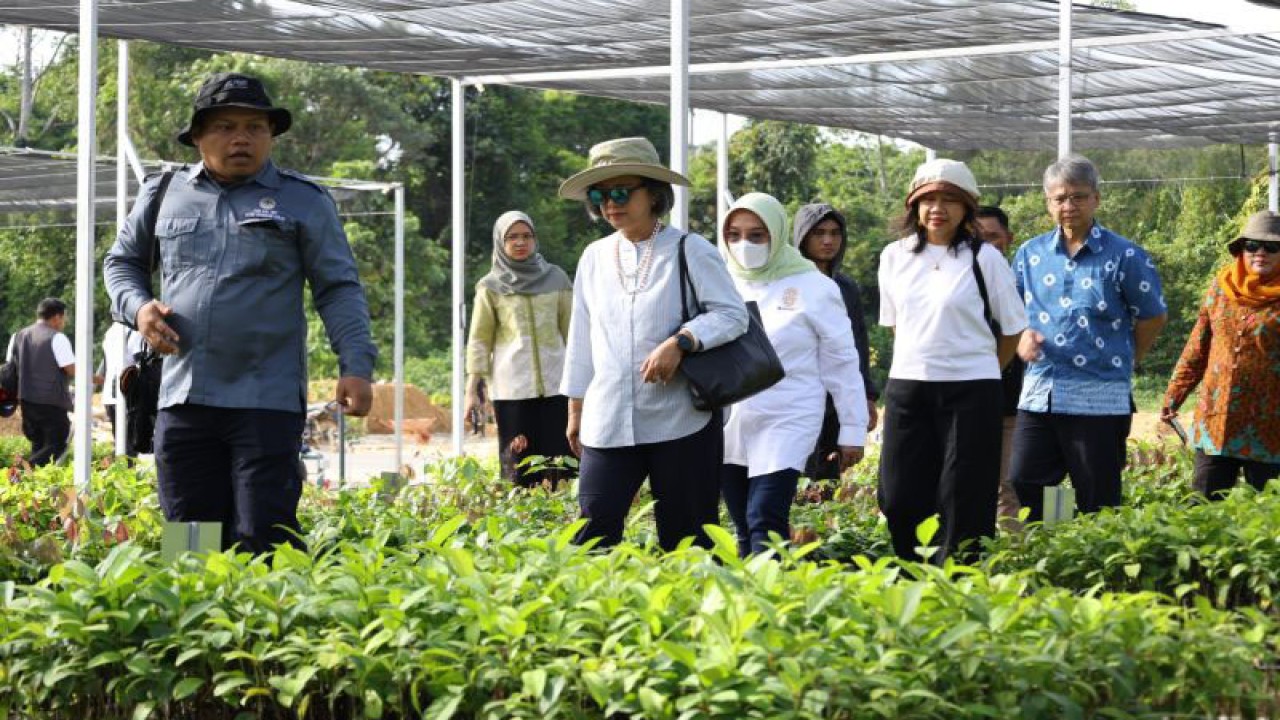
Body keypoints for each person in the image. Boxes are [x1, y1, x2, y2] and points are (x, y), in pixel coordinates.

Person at [103, 72, 376, 553]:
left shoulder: (303, 201)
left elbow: (338, 288)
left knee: (263, 534)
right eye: (225, 127)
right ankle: (195, 604)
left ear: (271, 136)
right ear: (198, 136)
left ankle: (260, 604)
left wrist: (356, 365)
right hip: (183, 396)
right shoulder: (163, 193)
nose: (241, 139)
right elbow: (121, 263)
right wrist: (139, 308)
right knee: (189, 538)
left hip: (266, 399)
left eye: (255, 128)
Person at [558, 136, 748, 551]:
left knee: (688, 539)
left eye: (622, 192)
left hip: (680, 417)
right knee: (592, 533)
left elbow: (733, 314)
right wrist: (575, 409)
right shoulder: (593, 256)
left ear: (654, 193)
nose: (611, 204)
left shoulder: (689, 249)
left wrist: (681, 341)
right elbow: (581, 336)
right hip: (607, 417)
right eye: (600, 195)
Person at [877, 159, 1028, 563]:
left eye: (949, 200)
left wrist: (986, 369)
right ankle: (911, 572)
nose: (937, 209)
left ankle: (960, 578)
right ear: (914, 206)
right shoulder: (893, 256)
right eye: (928, 200)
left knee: (964, 494)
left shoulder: (985, 258)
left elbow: (1013, 327)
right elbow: (897, 324)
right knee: (898, 493)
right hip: (908, 386)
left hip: (971, 391)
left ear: (966, 208)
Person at [1011, 155, 1167, 521]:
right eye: (1060, 198)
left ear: (1096, 198)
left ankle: (1092, 553)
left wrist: (1131, 357)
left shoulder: (1125, 255)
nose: (1069, 205)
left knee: (1097, 493)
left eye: (1078, 196)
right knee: (1027, 479)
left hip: (1099, 395)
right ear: (1048, 202)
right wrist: (1021, 337)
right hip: (1041, 392)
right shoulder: (1030, 254)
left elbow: (1152, 315)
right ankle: (1055, 538)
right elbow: (1012, 311)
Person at [721, 193, 868, 557]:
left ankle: (771, 587)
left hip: (789, 415)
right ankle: (751, 591)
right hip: (730, 419)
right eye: (734, 235)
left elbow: (842, 363)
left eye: (757, 235)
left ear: (777, 233)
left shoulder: (815, 286)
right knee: (742, 523)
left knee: (765, 515)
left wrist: (852, 429)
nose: (744, 245)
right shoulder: (719, 283)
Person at [1163, 211, 1280, 498]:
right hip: (1216, 419)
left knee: (1267, 510)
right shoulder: (1221, 289)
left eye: (1271, 247)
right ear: (1241, 250)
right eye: (1252, 245)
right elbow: (1198, 347)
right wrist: (1174, 394)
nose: (1260, 252)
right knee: (1203, 503)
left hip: (1269, 425)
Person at [465, 211, 574, 488]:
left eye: (527, 236)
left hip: (558, 387)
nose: (520, 242)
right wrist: (472, 390)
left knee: (562, 464)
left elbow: (573, 333)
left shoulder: (557, 279)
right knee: (519, 467)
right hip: (513, 391)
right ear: (501, 242)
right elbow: (479, 339)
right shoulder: (490, 287)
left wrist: (584, 381)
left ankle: (564, 514)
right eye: (512, 237)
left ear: (535, 239)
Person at [791, 202, 879, 480]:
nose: (828, 240)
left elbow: (857, 343)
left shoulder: (846, 287)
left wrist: (866, 396)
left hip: (836, 397)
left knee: (826, 479)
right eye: (819, 233)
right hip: (795, 396)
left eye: (834, 233)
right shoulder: (786, 284)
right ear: (802, 236)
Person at [975, 205, 1025, 526]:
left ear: (1009, 238)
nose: (986, 245)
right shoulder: (957, 282)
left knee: (1009, 485)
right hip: (966, 401)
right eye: (977, 237)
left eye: (993, 237)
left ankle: (1010, 549)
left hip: (1012, 402)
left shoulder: (1024, 281)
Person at [6, 298, 76, 466]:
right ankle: (20, 471)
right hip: (51, 402)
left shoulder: (17, 336)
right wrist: (95, 378)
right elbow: (71, 369)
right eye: (64, 317)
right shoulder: (57, 338)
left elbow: (9, 367)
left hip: (26, 401)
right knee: (58, 442)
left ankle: (31, 480)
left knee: (38, 445)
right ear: (57, 317)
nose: (64, 322)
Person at [100, 321, 143, 450]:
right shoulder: (134, 330)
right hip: (127, 394)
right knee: (130, 445)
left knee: (120, 444)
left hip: (109, 394)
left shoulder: (110, 331)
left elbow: (105, 366)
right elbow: (140, 360)